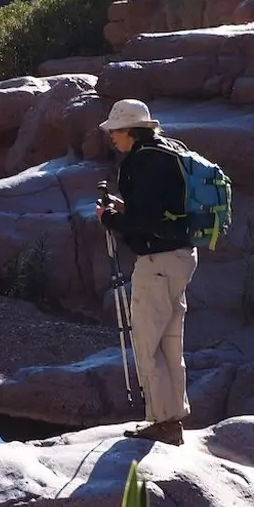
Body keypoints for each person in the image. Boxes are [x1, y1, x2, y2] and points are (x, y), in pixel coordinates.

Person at [94, 99, 195, 446]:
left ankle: (160, 421)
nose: (112, 138)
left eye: (115, 131)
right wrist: (127, 209)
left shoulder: (139, 161)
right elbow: (159, 210)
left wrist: (110, 218)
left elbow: (144, 222)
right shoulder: (170, 151)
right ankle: (173, 418)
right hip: (182, 257)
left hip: (156, 263)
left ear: (130, 131)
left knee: (148, 343)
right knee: (171, 341)